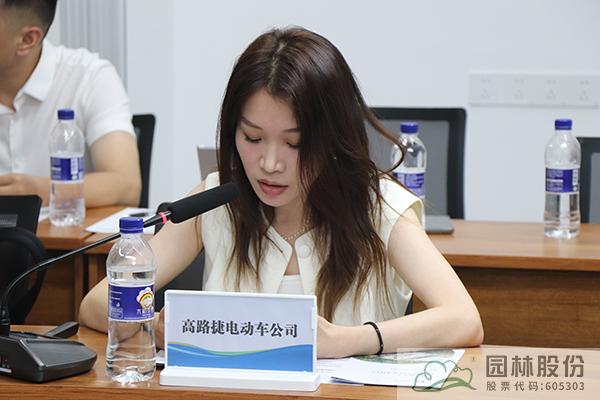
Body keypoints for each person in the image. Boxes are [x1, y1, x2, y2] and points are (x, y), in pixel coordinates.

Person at [80, 27, 483, 357]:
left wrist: (348, 341)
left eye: (295, 143)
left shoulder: (380, 206)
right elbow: (97, 304)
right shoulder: (217, 200)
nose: (270, 163)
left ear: (332, 138)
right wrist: (154, 327)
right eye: (253, 138)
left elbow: (464, 319)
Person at [0, 0, 141, 207]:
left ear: (27, 40)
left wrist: (38, 191)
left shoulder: (88, 77)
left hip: (65, 226)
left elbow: (126, 185)